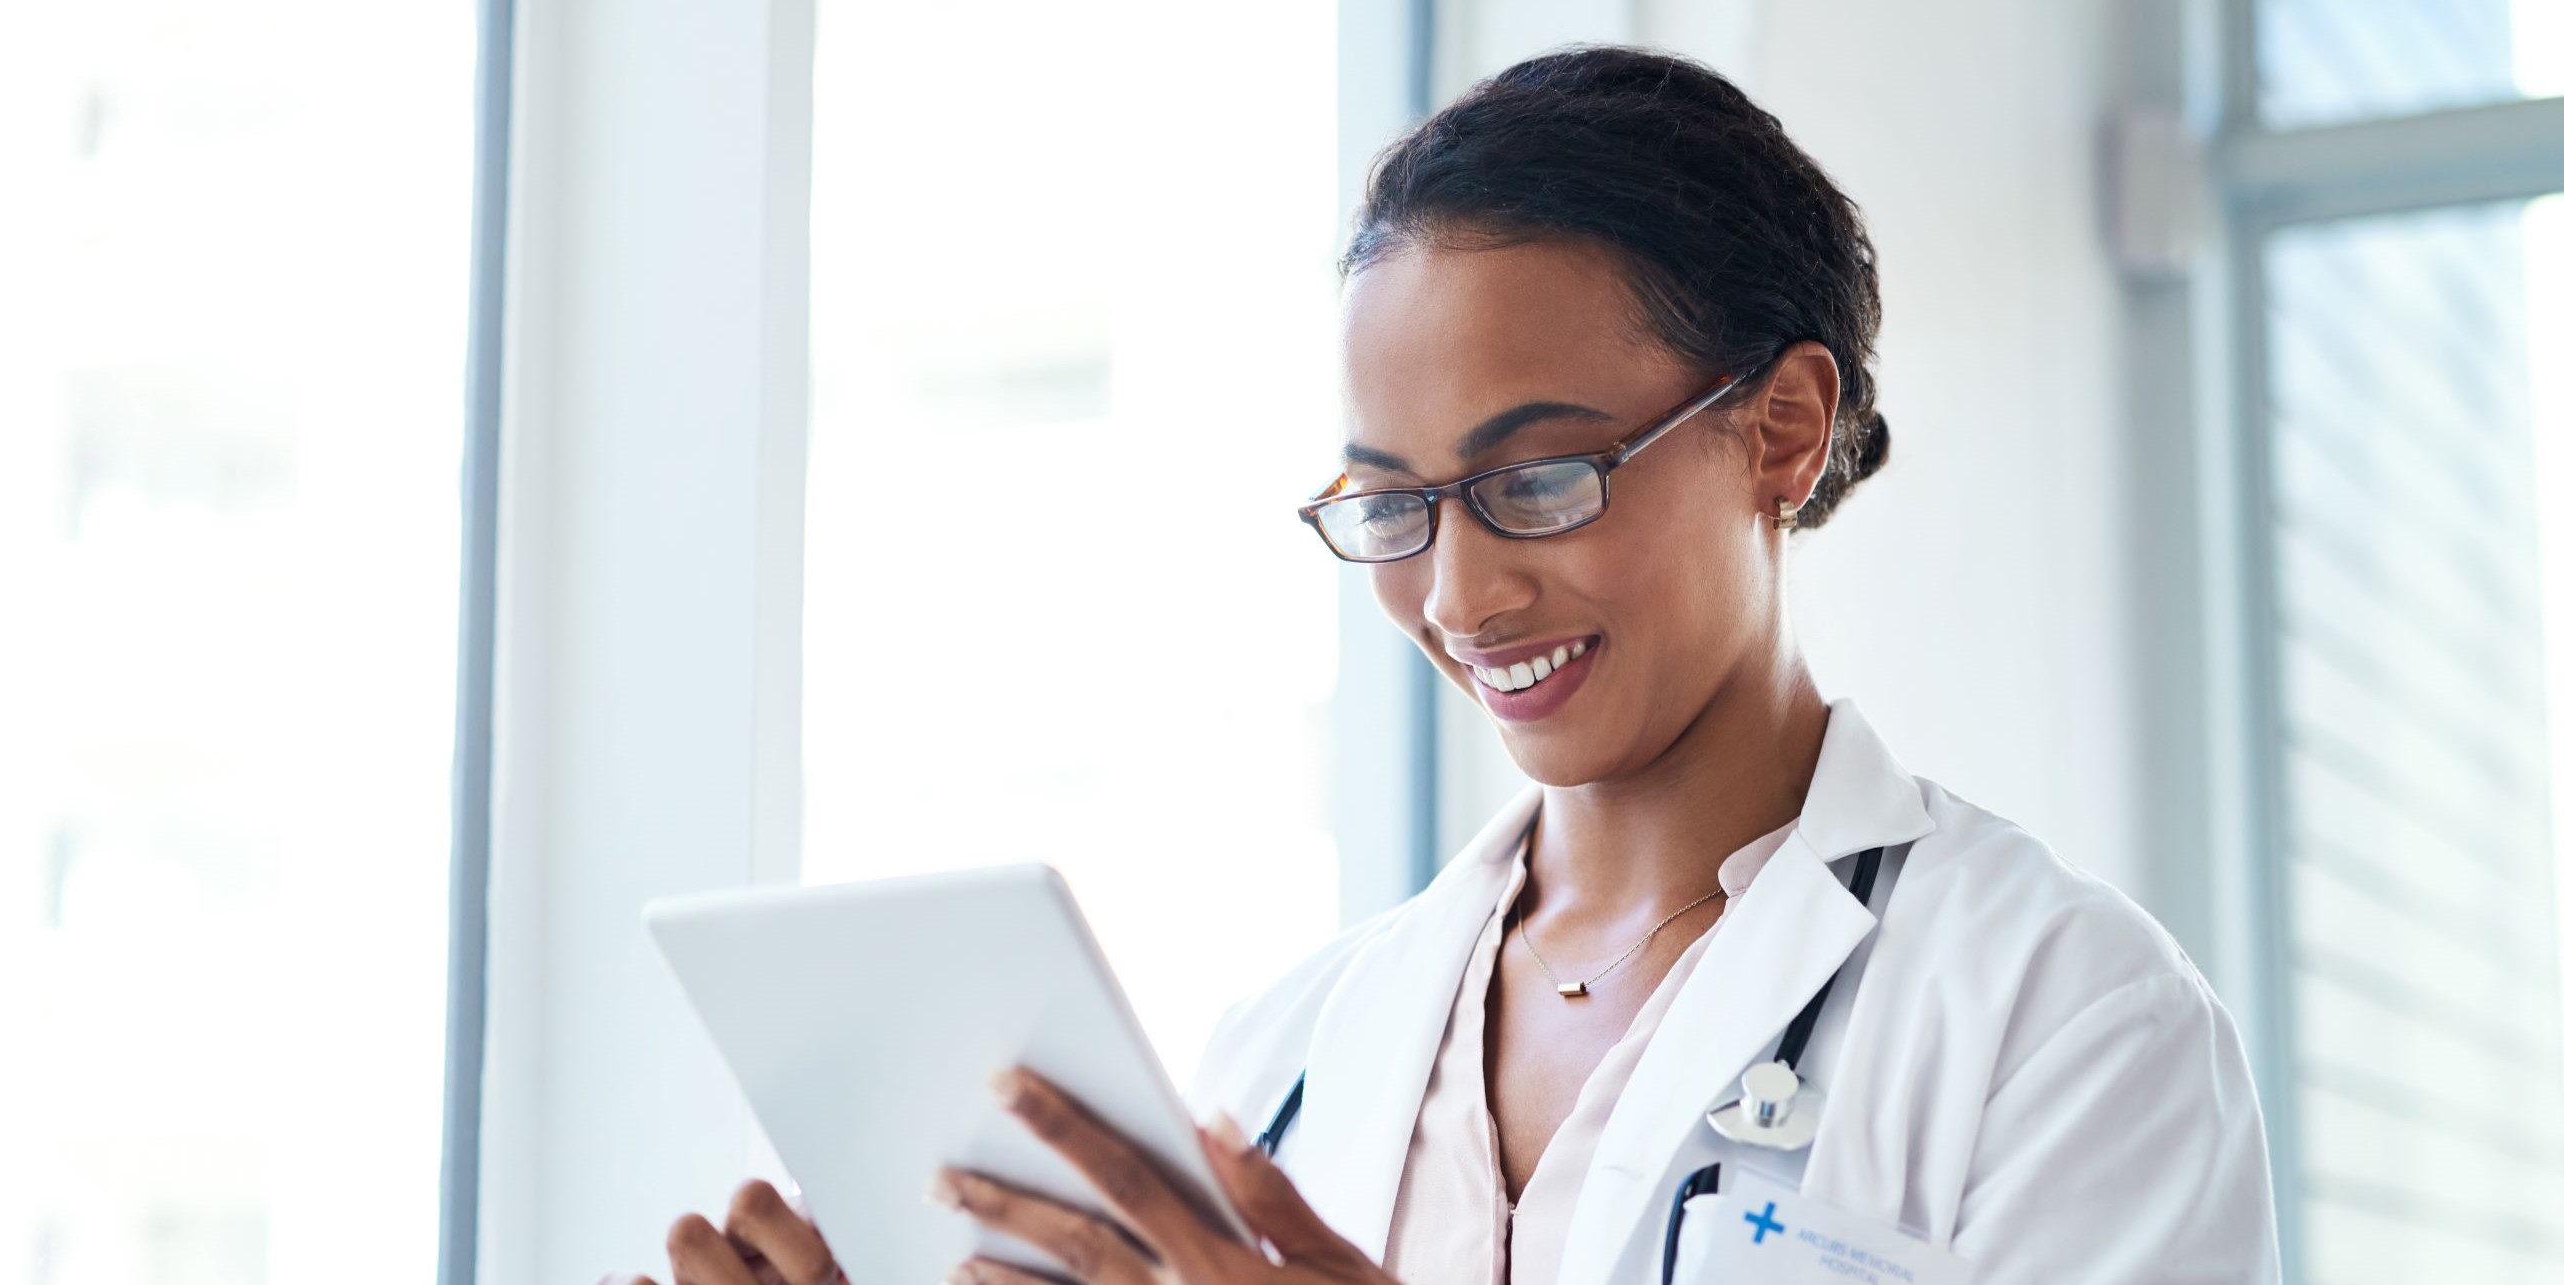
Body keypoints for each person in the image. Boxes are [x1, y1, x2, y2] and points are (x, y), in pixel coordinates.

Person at [623, 44, 2280, 1285]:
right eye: (1397, 504)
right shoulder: (1279, 1057)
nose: (1463, 591)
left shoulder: (2066, 1023)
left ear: (1783, 428)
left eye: (1541, 478)